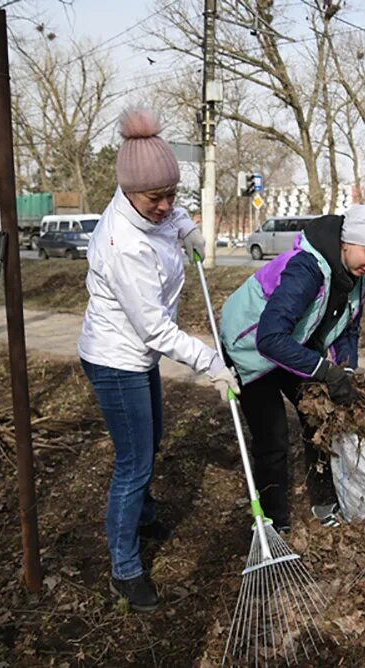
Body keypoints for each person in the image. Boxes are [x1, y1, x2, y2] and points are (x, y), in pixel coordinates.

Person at [77, 108, 238, 613]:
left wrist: (186, 226)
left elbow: (170, 210)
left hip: (137, 352)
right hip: (116, 357)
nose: (166, 205)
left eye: (173, 195)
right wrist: (210, 362)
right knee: (133, 462)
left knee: (152, 440)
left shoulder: (152, 205)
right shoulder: (122, 244)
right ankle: (124, 570)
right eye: (156, 199)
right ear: (128, 191)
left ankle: (142, 514)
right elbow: (155, 329)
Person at [219, 204, 365, 534]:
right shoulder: (307, 269)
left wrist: (347, 369)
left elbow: (350, 327)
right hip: (252, 345)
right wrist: (325, 370)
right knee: (273, 437)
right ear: (348, 242)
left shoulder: (359, 276)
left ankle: (324, 504)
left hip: (293, 343)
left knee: (319, 419)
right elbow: (269, 339)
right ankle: (274, 522)